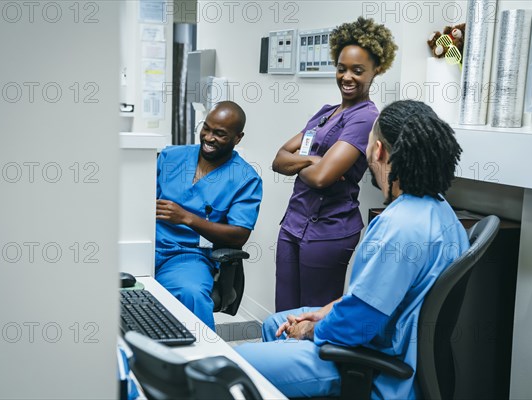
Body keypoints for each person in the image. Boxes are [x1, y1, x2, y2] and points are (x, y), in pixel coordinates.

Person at [236, 100, 470, 399]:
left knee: (237, 365)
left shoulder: (399, 227)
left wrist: (310, 330)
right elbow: (371, 299)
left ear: (379, 152)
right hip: (384, 338)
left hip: (374, 363)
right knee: (275, 323)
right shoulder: (441, 211)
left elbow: (358, 325)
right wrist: (322, 312)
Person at [272, 17, 398, 311]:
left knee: (312, 318)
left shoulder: (364, 117)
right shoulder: (325, 113)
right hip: (293, 224)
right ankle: (280, 357)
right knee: (285, 312)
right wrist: (314, 160)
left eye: (357, 70)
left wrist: (309, 165)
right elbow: (278, 159)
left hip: (328, 231)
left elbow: (322, 178)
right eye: (342, 68)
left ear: (376, 70)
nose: (347, 77)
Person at [154, 101, 262, 331]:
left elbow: (239, 235)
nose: (209, 138)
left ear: (238, 138)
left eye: (220, 134)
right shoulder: (170, 156)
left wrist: (187, 218)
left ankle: (199, 362)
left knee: (191, 293)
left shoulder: (245, 178)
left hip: (188, 256)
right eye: (207, 128)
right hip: (148, 245)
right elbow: (137, 202)